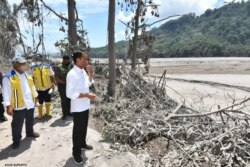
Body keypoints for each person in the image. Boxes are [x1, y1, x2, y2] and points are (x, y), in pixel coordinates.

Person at [2, 57, 40, 149]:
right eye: (22, 64)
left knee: (30, 119)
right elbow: (6, 93)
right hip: (18, 105)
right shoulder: (8, 77)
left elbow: (32, 87)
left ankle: (30, 133)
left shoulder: (27, 74)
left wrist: (35, 96)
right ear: (15, 65)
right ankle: (16, 140)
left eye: (25, 63)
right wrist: (8, 106)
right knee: (17, 124)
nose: (24, 65)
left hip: (29, 102)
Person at [66, 52, 96, 164]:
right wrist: (87, 95)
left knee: (83, 127)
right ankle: (76, 152)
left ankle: (82, 144)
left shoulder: (83, 71)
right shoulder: (72, 74)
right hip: (78, 107)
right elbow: (70, 93)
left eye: (86, 59)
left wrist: (90, 73)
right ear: (77, 60)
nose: (86, 61)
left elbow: (89, 83)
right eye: (84, 59)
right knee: (77, 130)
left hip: (85, 105)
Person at [54, 55, 73, 120]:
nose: (68, 61)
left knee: (69, 99)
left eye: (69, 60)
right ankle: (64, 114)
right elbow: (56, 78)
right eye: (67, 60)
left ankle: (68, 112)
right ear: (64, 60)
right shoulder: (59, 67)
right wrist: (64, 82)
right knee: (64, 100)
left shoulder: (70, 67)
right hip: (62, 86)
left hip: (69, 86)